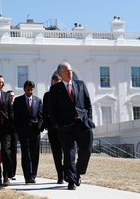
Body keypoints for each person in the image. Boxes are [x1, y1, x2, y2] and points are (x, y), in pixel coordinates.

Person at [48, 62, 95, 190]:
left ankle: (78, 172)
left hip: (82, 124)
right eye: (67, 71)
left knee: (87, 150)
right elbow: (51, 110)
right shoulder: (55, 89)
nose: (70, 73)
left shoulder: (80, 84)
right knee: (69, 154)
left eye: (71, 70)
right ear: (60, 74)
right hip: (65, 126)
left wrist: (88, 118)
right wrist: (57, 124)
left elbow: (88, 104)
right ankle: (71, 181)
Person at [13, 80, 43, 184]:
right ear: (24, 89)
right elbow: (15, 117)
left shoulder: (38, 100)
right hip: (23, 131)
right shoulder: (18, 100)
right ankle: (27, 176)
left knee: (34, 154)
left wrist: (39, 127)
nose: (30, 92)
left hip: (35, 132)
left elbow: (40, 116)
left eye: (31, 90)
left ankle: (33, 174)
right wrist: (18, 129)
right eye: (28, 90)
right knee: (25, 154)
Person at [42, 72, 65, 184]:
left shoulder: (65, 94)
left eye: (58, 84)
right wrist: (47, 125)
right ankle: (60, 176)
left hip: (65, 129)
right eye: (54, 84)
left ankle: (67, 172)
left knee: (67, 152)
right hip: (52, 129)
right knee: (57, 154)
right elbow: (44, 112)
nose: (55, 86)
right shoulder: (47, 95)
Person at [6, 90, 17, 180]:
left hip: (14, 132)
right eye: (10, 96)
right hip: (6, 131)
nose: (12, 97)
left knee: (14, 152)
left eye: (13, 96)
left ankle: (12, 173)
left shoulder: (17, 106)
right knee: (6, 152)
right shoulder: (4, 106)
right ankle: (7, 172)